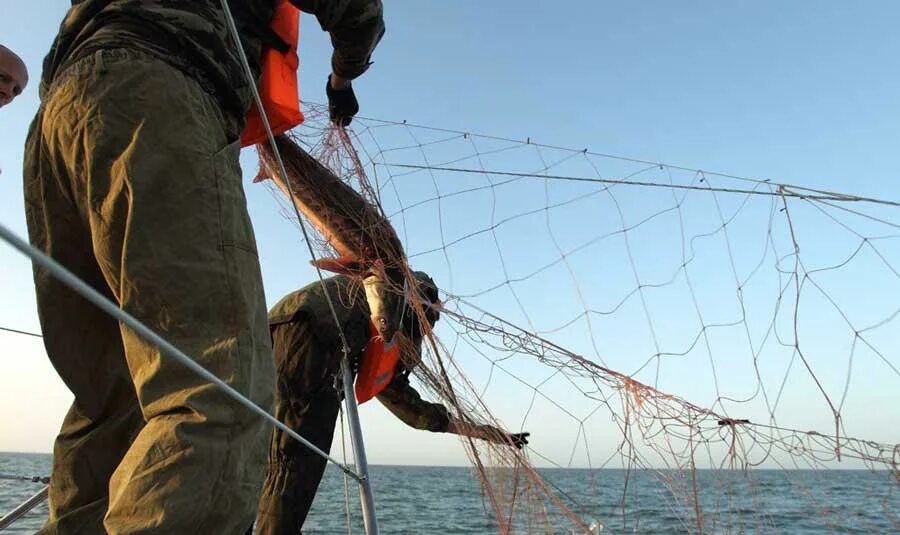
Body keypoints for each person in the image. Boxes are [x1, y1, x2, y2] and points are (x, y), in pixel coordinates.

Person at [24, 1, 384, 533]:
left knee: (112, 400)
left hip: (60, 113)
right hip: (158, 96)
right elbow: (359, 11)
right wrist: (341, 76)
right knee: (223, 395)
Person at [255, 272, 530, 534]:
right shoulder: (406, 292)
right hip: (316, 332)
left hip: (277, 326)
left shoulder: (382, 337)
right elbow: (410, 288)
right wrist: (427, 301)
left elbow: (412, 409)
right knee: (293, 458)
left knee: (261, 446)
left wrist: (491, 435)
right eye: (432, 316)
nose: (432, 323)